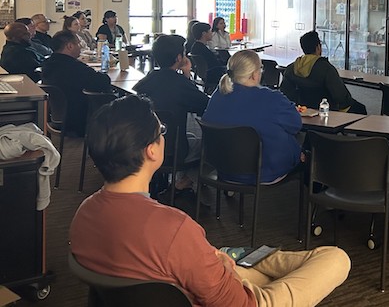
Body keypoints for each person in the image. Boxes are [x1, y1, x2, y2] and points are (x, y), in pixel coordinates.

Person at [69, 95, 351, 307]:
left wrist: (218, 265)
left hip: (183, 275)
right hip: (237, 301)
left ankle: (243, 262)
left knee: (230, 257)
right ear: (152, 150)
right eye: (161, 131)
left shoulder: (84, 214)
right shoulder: (172, 227)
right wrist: (227, 273)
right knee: (336, 258)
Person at [202, 51, 303, 184]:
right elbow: (296, 124)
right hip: (264, 172)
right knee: (304, 150)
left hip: (223, 169)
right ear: (254, 74)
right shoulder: (272, 98)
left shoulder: (218, 95)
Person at [133, 35, 209, 187]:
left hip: (144, 146)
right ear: (179, 57)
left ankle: (175, 182)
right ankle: (183, 182)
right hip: (173, 150)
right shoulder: (180, 84)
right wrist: (187, 76)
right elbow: (204, 104)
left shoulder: (147, 81)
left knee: (191, 136)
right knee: (206, 144)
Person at [41, 30, 111, 136]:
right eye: (78, 43)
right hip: (80, 119)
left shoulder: (47, 64)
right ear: (69, 46)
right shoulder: (73, 67)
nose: (81, 47)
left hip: (57, 117)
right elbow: (103, 82)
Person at [280, 31, 367, 114]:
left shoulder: (290, 68)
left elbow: (284, 94)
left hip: (300, 110)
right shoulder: (327, 68)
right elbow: (341, 97)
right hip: (326, 111)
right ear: (318, 47)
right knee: (360, 108)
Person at [189, 22, 226, 88]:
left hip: (206, 75)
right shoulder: (203, 49)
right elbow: (215, 64)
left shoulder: (196, 47)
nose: (211, 33)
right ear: (204, 33)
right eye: (209, 31)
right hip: (213, 75)